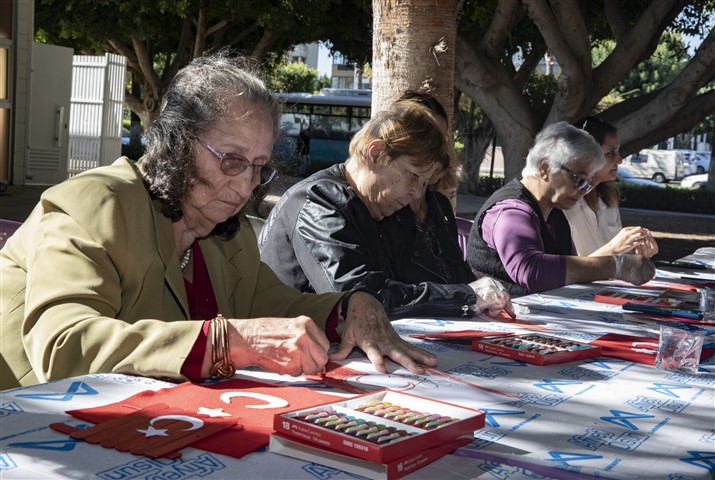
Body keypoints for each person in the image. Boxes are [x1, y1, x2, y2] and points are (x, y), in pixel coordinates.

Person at [0, 52, 436, 391]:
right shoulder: (93, 205)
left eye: (258, 167)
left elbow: (275, 307)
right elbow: (63, 348)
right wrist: (227, 344)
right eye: (231, 160)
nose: (246, 185)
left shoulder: (227, 232)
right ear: (177, 142)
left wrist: (351, 307)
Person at [258, 100, 512, 319]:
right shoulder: (318, 200)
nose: (416, 192)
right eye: (413, 175)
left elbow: (409, 288)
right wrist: (466, 296)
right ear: (376, 153)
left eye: (424, 183)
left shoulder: (382, 208)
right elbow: (359, 297)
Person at [466, 122, 656, 298]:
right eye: (579, 180)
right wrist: (616, 265)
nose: (582, 191)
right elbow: (530, 270)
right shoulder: (511, 210)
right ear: (545, 167)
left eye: (588, 184)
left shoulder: (555, 213)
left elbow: (571, 271)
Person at [566, 116, 659, 257]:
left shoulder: (608, 199)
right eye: (611, 153)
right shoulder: (563, 202)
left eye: (618, 152)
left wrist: (635, 248)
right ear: (585, 155)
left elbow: (614, 259)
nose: (619, 160)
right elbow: (565, 270)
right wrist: (614, 248)